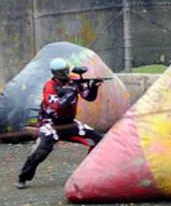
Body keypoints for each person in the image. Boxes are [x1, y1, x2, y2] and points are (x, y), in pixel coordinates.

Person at [16, 58, 105, 189]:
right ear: (56, 73)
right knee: (41, 151)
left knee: (98, 140)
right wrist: (72, 92)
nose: (66, 74)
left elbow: (89, 97)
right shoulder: (50, 86)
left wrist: (93, 88)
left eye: (66, 70)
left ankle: (87, 172)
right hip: (50, 124)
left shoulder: (74, 79)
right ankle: (23, 178)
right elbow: (57, 106)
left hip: (69, 123)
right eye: (62, 72)